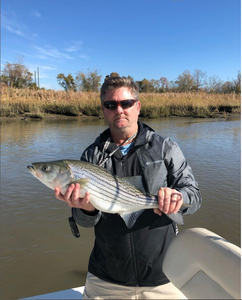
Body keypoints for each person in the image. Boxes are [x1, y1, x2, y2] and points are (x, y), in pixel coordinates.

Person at [55, 76, 202, 299]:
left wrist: (178, 197)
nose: (119, 110)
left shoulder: (165, 147)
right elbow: (84, 222)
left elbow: (195, 196)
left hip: (164, 275)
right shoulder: (91, 156)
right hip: (106, 277)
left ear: (138, 106)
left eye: (126, 103)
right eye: (111, 105)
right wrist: (85, 209)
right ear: (103, 110)